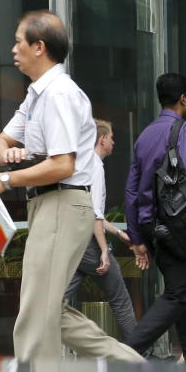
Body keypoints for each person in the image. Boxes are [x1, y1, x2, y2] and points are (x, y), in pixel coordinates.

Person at [0, 10, 141, 363]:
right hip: (49, 204)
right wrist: (11, 154)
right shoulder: (36, 96)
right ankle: (135, 366)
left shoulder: (60, 95)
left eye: (19, 41)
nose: (13, 49)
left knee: (35, 313)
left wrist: (6, 178)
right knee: (43, 308)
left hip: (63, 203)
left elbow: (63, 165)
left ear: (39, 47)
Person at [123, 73, 186, 360]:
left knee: (185, 287)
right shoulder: (181, 129)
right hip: (176, 224)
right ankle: (125, 351)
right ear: (183, 98)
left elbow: (131, 191)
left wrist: (137, 237)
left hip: (152, 226)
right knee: (179, 292)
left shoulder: (145, 135)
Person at [64, 119, 138, 343]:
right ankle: (140, 352)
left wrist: (117, 233)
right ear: (102, 139)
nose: (114, 141)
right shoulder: (95, 167)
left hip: (76, 241)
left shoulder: (83, 165)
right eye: (112, 137)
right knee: (120, 298)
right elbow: (95, 215)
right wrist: (104, 250)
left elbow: (97, 216)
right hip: (90, 244)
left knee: (60, 301)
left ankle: (37, 347)